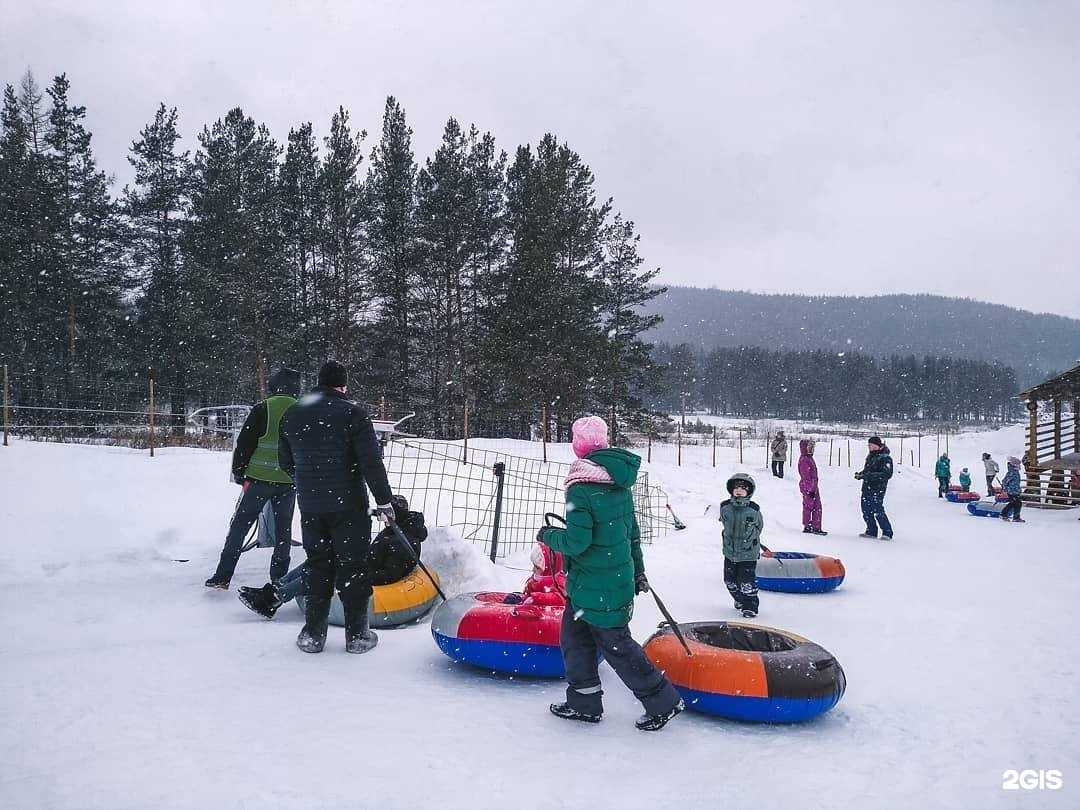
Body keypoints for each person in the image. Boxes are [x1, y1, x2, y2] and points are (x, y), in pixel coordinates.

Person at [539, 415, 684, 732]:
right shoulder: (617, 482)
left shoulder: (581, 489)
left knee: (618, 648)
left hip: (595, 586)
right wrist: (639, 570)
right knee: (575, 641)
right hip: (604, 583)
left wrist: (548, 535)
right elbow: (632, 533)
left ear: (579, 448)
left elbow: (577, 542)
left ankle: (663, 702)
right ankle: (584, 703)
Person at [278, 360, 395, 654]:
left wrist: (307, 481)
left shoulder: (292, 413)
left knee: (318, 564)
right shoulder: (353, 413)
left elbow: (285, 462)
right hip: (349, 506)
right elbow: (371, 462)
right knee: (353, 566)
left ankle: (313, 634)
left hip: (311, 505)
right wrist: (385, 501)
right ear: (342, 385)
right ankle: (357, 635)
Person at [237, 495, 426, 620]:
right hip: (361, 565)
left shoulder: (403, 541)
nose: (380, 518)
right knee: (319, 561)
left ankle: (273, 600)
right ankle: (274, 589)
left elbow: (390, 575)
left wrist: (361, 573)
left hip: (367, 576)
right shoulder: (396, 529)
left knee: (322, 574)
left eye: (384, 515)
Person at [205, 368, 302, 589]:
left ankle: (222, 575)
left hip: (259, 479)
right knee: (283, 532)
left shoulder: (262, 408)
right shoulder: (301, 410)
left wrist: (240, 473)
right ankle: (279, 579)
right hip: (288, 482)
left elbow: (245, 443)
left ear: (274, 386)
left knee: (240, 526)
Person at [718, 473, 763, 618]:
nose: (739, 490)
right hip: (730, 552)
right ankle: (739, 599)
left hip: (747, 553)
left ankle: (750, 606)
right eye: (736, 487)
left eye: (743, 488)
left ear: (749, 491)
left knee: (746, 582)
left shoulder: (753, 510)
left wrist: (750, 541)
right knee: (729, 581)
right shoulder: (725, 507)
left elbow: (759, 527)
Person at [856, 436, 894, 540]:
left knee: (877, 510)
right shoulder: (870, 456)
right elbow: (867, 471)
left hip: (877, 489)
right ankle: (871, 531)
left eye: (871, 445)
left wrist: (869, 476)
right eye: (868, 445)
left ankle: (887, 532)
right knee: (866, 510)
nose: (869, 447)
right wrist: (861, 474)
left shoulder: (885, 458)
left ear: (877, 445)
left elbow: (887, 474)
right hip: (866, 488)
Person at [798, 439, 826, 535]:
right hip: (808, 487)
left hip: (813, 486)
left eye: (812, 447)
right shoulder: (804, 460)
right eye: (809, 447)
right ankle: (808, 526)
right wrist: (810, 489)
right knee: (809, 507)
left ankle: (815, 526)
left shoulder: (809, 458)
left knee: (817, 507)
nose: (811, 449)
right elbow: (806, 476)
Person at [999, 457, 1025, 523]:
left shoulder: (1015, 472)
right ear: (1014, 465)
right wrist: (1005, 488)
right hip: (1011, 491)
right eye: (1018, 465)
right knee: (1015, 503)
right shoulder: (1011, 472)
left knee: (1016, 503)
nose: (1019, 466)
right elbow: (1004, 481)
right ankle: (1004, 514)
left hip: (1016, 491)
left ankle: (1015, 517)